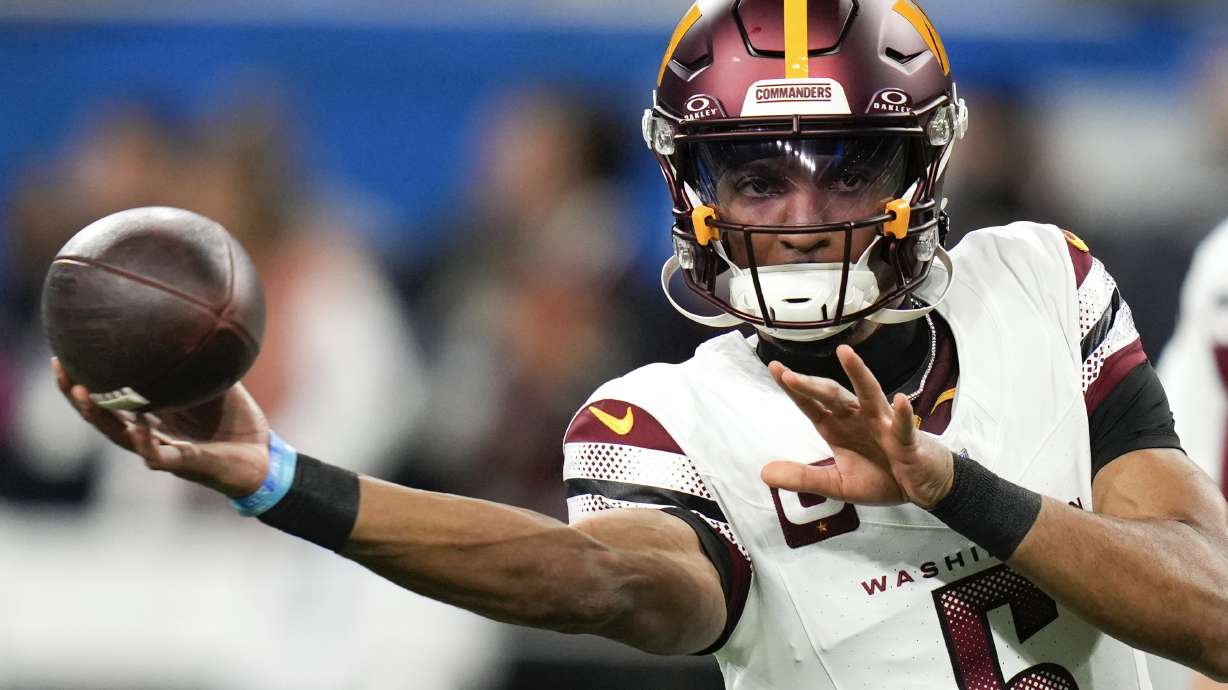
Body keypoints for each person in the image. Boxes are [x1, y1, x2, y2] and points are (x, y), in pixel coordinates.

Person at [54, 1, 1228, 688]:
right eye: (755, 176)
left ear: (922, 168)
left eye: (848, 164)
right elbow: (600, 581)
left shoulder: (1038, 279)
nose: (803, 214)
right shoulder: (666, 419)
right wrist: (277, 479)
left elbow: (1212, 615)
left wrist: (952, 487)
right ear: (689, 184)